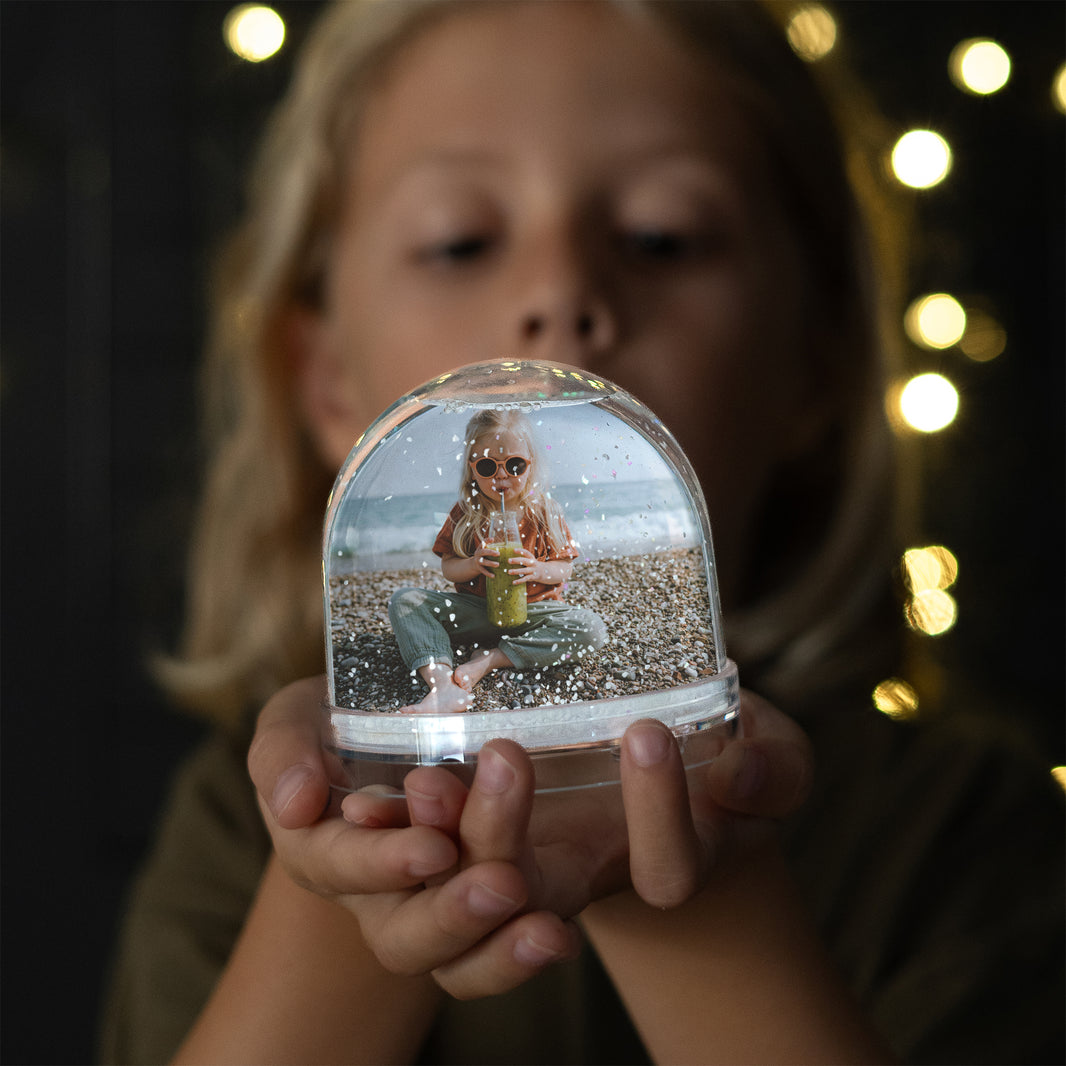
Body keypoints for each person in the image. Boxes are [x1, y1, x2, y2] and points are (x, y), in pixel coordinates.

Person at [100, 1, 1064, 1063]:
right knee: (429, 615)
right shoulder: (239, 830)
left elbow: (563, 576)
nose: (560, 292)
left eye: (662, 236)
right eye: (461, 241)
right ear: (325, 380)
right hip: (462, 650)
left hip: (546, 633)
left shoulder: (963, 830)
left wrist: (693, 875)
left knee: (586, 633)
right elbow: (444, 575)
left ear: (816, 361)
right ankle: (450, 685)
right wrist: (357, 842)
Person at [387, 407, 606, 713]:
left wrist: (538, 569)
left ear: (530, 465)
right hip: (479, 611)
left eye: (514, 465)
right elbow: (449, 567)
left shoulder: (545, 511)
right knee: (405, 601)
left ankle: (490, 659)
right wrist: (473, 564)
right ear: (472, 467)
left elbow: (564, 567)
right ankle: (443, 686)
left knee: (591, 627)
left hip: (535, 612)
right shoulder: (465, 513)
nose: (502, 475)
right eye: (488, 466)